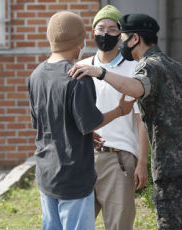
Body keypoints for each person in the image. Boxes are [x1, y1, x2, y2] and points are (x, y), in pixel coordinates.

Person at [69, 13, 182, 230]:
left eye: (121, 36)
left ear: (135, 38)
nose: (119, 41)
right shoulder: (175, 66)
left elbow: (136, 88)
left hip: (168, 167)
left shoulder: (148, 66)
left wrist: (101, 73)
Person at [28, 11, 136, 230]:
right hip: (74, 174)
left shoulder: (36, 75)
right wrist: (119, 110)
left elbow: (43, 122)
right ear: (81, 41)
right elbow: (90, 122)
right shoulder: (78, 76)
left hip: (46, 171)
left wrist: (84, 133)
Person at [76, 5, 149, 230]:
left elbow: (141, 120)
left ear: (121, 35)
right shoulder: (81, 67)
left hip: (119, 160)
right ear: (93, 32)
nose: (105, 33)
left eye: (112, 29)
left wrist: (142, 162)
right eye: (100, 28)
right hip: (83, 158)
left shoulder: (134, 69)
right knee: (76, 224)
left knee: (119, 225)